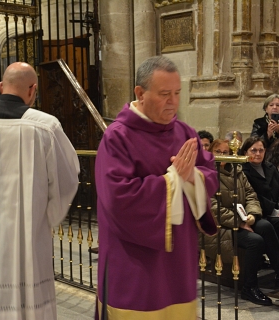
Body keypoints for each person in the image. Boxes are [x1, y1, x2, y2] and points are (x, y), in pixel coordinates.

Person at [95, 56, 218, 320]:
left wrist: (192, 177)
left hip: (179, 261)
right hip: (136, 261)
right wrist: (173, 179)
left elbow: (209, 173)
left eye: (177, 93)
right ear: (140, 93)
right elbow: (118, 198)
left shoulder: (185, 133)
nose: (173, 102)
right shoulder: (117, 137)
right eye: (165, 94)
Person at [0, 62, 80, 319]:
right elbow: (68, 179)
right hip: (25, 239)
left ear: (1, 86)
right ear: (33, 90)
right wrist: (47, 216)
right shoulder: (46, 126)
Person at [205, 139, 279, 306]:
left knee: (266, 226)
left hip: (242, 218)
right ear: (210, 153)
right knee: (255, 241)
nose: (223, 155)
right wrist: (238, 221)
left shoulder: (236, 170)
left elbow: (251, 194)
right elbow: (212, 208)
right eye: (219, 152)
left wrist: (252, 214)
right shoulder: (207, 174)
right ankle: (249, 287)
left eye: (226, 152)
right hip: (220, 226)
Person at [240, 137, 279, 239]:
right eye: (254, 150)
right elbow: (254, 196)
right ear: (245, 152)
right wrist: (274, 211)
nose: (258, 154)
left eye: (261, 150)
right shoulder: (242, 171)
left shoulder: (270, 167)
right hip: (257, 213)